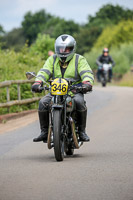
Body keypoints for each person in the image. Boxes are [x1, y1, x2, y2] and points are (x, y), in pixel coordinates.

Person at [32, 34, 94, 143]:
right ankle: (45, 132)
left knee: (79, 102)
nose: (64, 51)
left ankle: (81, 131)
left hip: (74, 91)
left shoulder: (79, 59)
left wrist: (87, 83)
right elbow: (44, 71)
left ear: (73, 48)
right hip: (56, 91)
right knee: (43, 103)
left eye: (67, 49)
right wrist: (38, 82)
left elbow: (86, 72)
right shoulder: (52, 59)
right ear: (56, 49)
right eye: (61, 49)